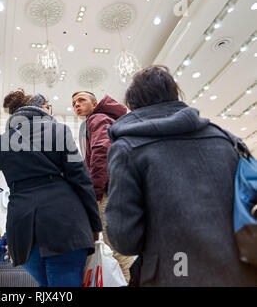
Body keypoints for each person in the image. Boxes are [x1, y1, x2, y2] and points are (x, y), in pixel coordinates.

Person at [105, 65, 257, 286]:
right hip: (241, 271)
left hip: (174, 273)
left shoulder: (126, 148)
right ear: (174, 96)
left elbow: (125, 239)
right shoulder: (226, 139)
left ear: (133, 106)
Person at [0, 89, 102, 287]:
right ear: (41, 109)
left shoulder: (3, 141)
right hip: (65, 224)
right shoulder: (60, 132)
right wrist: (95, 225)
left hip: (23, 232)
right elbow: (81, 179)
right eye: (49, 107)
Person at [72, 90, 134, 282]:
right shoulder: (96, 120)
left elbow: (101, 152)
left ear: (95, 103)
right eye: (74, 103)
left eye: (81, 100)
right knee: (116, 250)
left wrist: (95, 191)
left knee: (118, 252)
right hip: (115, 190)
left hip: (107, 192)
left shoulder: (96, 118)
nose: (76, 105)